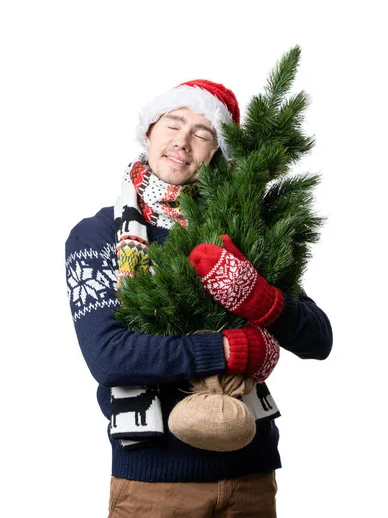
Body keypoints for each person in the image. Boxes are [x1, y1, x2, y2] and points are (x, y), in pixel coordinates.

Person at [65, 79, 333, 517]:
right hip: (156, 485)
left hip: (251, 478)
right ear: (149, 132)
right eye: (173, 123)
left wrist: (263, 301)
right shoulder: (97, 235)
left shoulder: (243, 232)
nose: (183, 142)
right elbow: (110, 356)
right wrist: (227, 348)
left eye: (203, 134)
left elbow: (319, 340)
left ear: (218, 156)